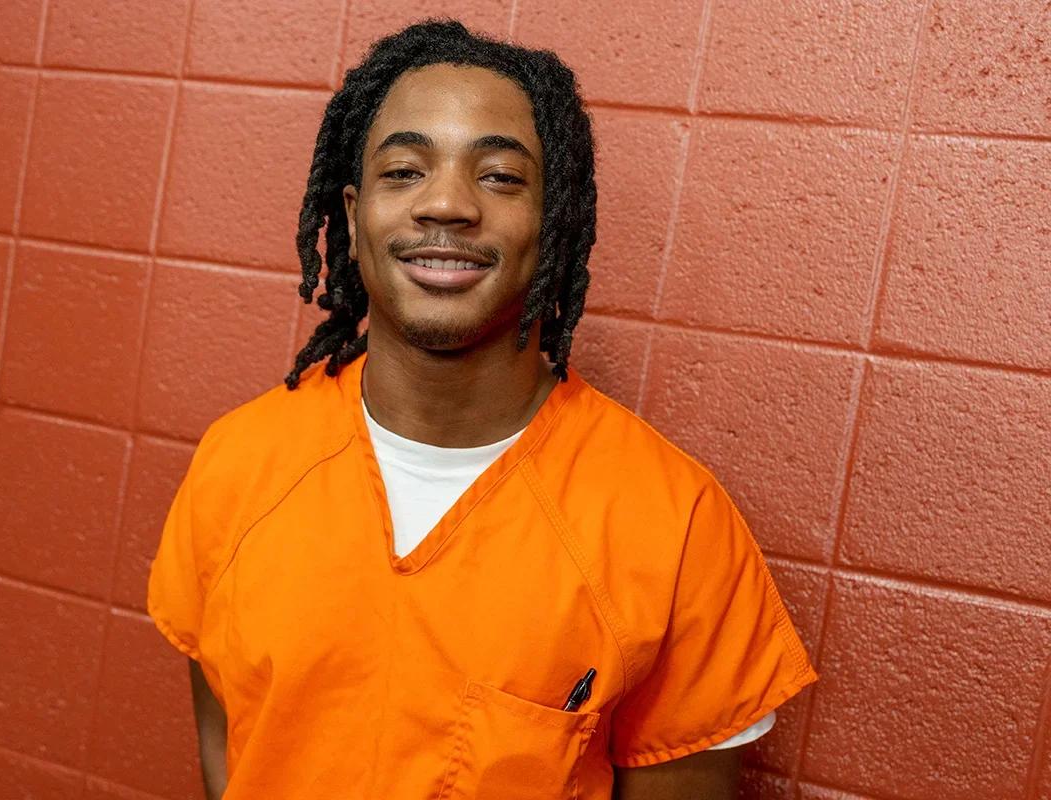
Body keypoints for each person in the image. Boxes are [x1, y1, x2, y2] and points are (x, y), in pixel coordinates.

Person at [148, 19, 816, 800]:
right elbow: (230, 765)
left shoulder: (675, 525)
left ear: (554, 223)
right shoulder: (238, 462)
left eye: (499, 177)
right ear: (355, 217)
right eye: (405, 170)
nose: (447, 204)